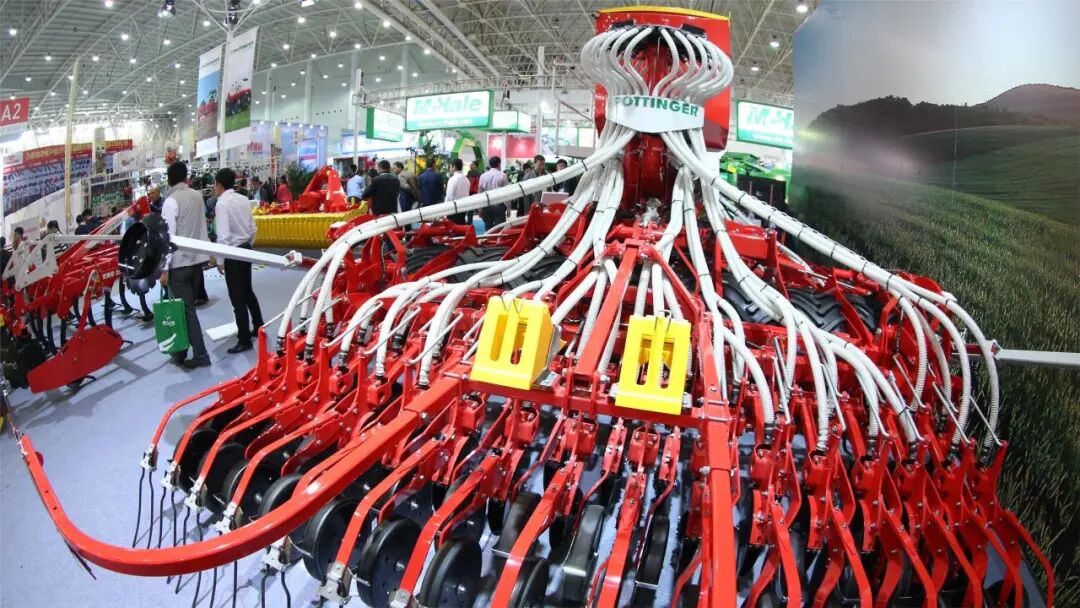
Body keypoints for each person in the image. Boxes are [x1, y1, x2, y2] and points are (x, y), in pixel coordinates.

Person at [160, 161, 213, 369]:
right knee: (185, 309)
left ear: (169, 179)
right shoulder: (197, 196)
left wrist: (164, 268)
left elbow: (169, 237)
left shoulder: (170, 201)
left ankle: (201, 355)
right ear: (185, 177)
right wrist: (210, 254)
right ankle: (180, 352)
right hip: (197, 261)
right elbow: (203, 227)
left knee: (185, 310)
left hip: (179, 264)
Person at [213, 168, 264, 354]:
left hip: (232, 253)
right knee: (248, 291)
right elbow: (252, 228)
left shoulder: (222, 203)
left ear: (219, 184)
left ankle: (244, 339)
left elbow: (223, 236)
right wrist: (248, 245)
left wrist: (220, 259)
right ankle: (258, 326)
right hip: (245, 249)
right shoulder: (243, 199)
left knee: (237, 298)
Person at [478, 156, 509, 230]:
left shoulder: (483, 176)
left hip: (486, 205)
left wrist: (479, 208)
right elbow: (507, 193)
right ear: (499, 164)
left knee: (488, 228)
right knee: (500, 229)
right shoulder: (503, 175)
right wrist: (508, 208)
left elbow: (480, 193)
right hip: (499, 205)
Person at [445, 158, 471, 225]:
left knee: (454, 228)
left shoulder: (453, 179)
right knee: (461, 226)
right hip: (463, 208)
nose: (450, 168)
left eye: (450, 166)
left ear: (454, 167)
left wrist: (445, 210)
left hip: (453, 209)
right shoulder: (466, 179)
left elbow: (449, 196)